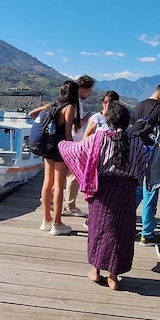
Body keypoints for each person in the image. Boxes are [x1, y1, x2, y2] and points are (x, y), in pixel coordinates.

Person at [59, 102, 149, 290]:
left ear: (108, 120)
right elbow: (143, 166)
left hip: (102, 190)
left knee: (99, 229)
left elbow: (77, 151)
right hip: (126, 192)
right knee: (121, 232)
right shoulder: (136, 142)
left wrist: (62, 143)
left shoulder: (98, 138)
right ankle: (114, 276)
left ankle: (96, 271)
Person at [28, 80, 82, 236]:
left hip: (47, 147)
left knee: (47, 182)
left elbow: (32, 114)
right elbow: (67, 134)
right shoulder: (70, 107)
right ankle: (57, 224)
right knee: (58, 185)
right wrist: (72, 152)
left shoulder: (53, 105)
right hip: (59, 148)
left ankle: (46, 220)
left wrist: (45, 110)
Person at [133, 82, 160, 246]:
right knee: (151, 191)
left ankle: (127, 224)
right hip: (154, 155)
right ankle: (147, 234)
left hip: (136, 153)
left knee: (136, 191)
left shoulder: (138, 106)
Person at [64, 75, 96, 216]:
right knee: (74, 176)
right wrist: (88, 117)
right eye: (89, 90)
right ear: (82, 89)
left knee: (63, 176)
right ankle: (70, 205)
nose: (89, 94)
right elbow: (77, 125)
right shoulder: (76, 104)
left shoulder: (66, 102)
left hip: (65, 143)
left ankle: (56, 202)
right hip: (74, 142)